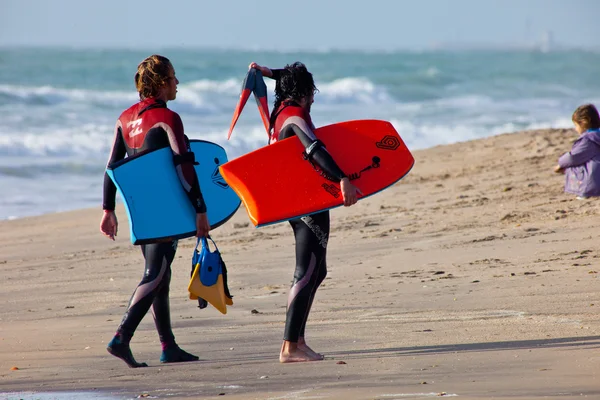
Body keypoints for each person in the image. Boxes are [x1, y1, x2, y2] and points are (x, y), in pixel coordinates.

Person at [100, 55, 210, 368]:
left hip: (140, 207)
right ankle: (121, 338)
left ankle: (168, 346)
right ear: (161, 84)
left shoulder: (124, 118)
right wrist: (200, 209)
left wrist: (108, 209)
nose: (177, 83)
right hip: (165, 207)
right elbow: (184, 166)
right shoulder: (167, 117)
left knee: (162, 273)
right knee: (156, 272)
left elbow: (112, 168)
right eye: (174, 77)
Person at [249, 61, 360, 362]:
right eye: (311, 92)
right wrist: (343, 179)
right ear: (304, 92)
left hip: (297, 200)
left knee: (317, 269)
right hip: (305, 203)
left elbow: (285, 78)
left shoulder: (279, 113)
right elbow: (314, 149)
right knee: (307, 269)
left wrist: (267, 72)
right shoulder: (296, 116)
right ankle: (290, 346)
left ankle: (298, 340)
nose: (314, 98)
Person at [554, 103, 600, 199]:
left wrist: (560, 164)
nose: (575, 129)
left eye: (576, 125)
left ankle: (585, 192)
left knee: (572, 167)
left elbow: (573, 157)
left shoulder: (588, 140)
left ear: (584, 122)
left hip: (596, 183)